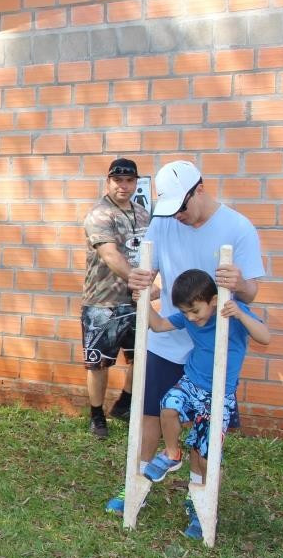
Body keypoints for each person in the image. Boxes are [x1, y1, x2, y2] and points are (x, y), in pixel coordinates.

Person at [105, 160, 265, 516]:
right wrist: (139, 281)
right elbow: (147, 272)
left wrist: (239, 283)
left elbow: (251, 293)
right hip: (168, 338)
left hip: (211, 349)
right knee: (150, 415)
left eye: (181, 207)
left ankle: (197, 499)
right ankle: (135, 485)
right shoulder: (164, 221)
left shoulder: (238, 227)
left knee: (203, 431)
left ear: (200, 189)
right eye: (170, 208)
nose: (176, 215)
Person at [138, 269, 270, 538]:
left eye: (195, 311)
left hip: (219, 394)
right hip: (192, 382)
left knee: (205, 457)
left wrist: (240, 313)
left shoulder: (231, 313)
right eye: (185, 312)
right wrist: (142, 299)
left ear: (213, 300)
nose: (190, 318)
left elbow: (265, 337)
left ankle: (205, 510)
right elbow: (159, 325)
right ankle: (172, 453)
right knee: (169, 405)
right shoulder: (190, 317)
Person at [80, 158, 149, 438]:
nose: (124, 186)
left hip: (135, 300)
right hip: (103, 302)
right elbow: (110, 255)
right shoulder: (99, 215)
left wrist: (149, 285)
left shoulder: (143, 214)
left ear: (136, 183)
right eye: (118, 180)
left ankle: (124, 404)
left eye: (129, 180)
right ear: (108, 182)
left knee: (142, 356)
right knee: (99, 364)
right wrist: (140, 282)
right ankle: (96, 416)